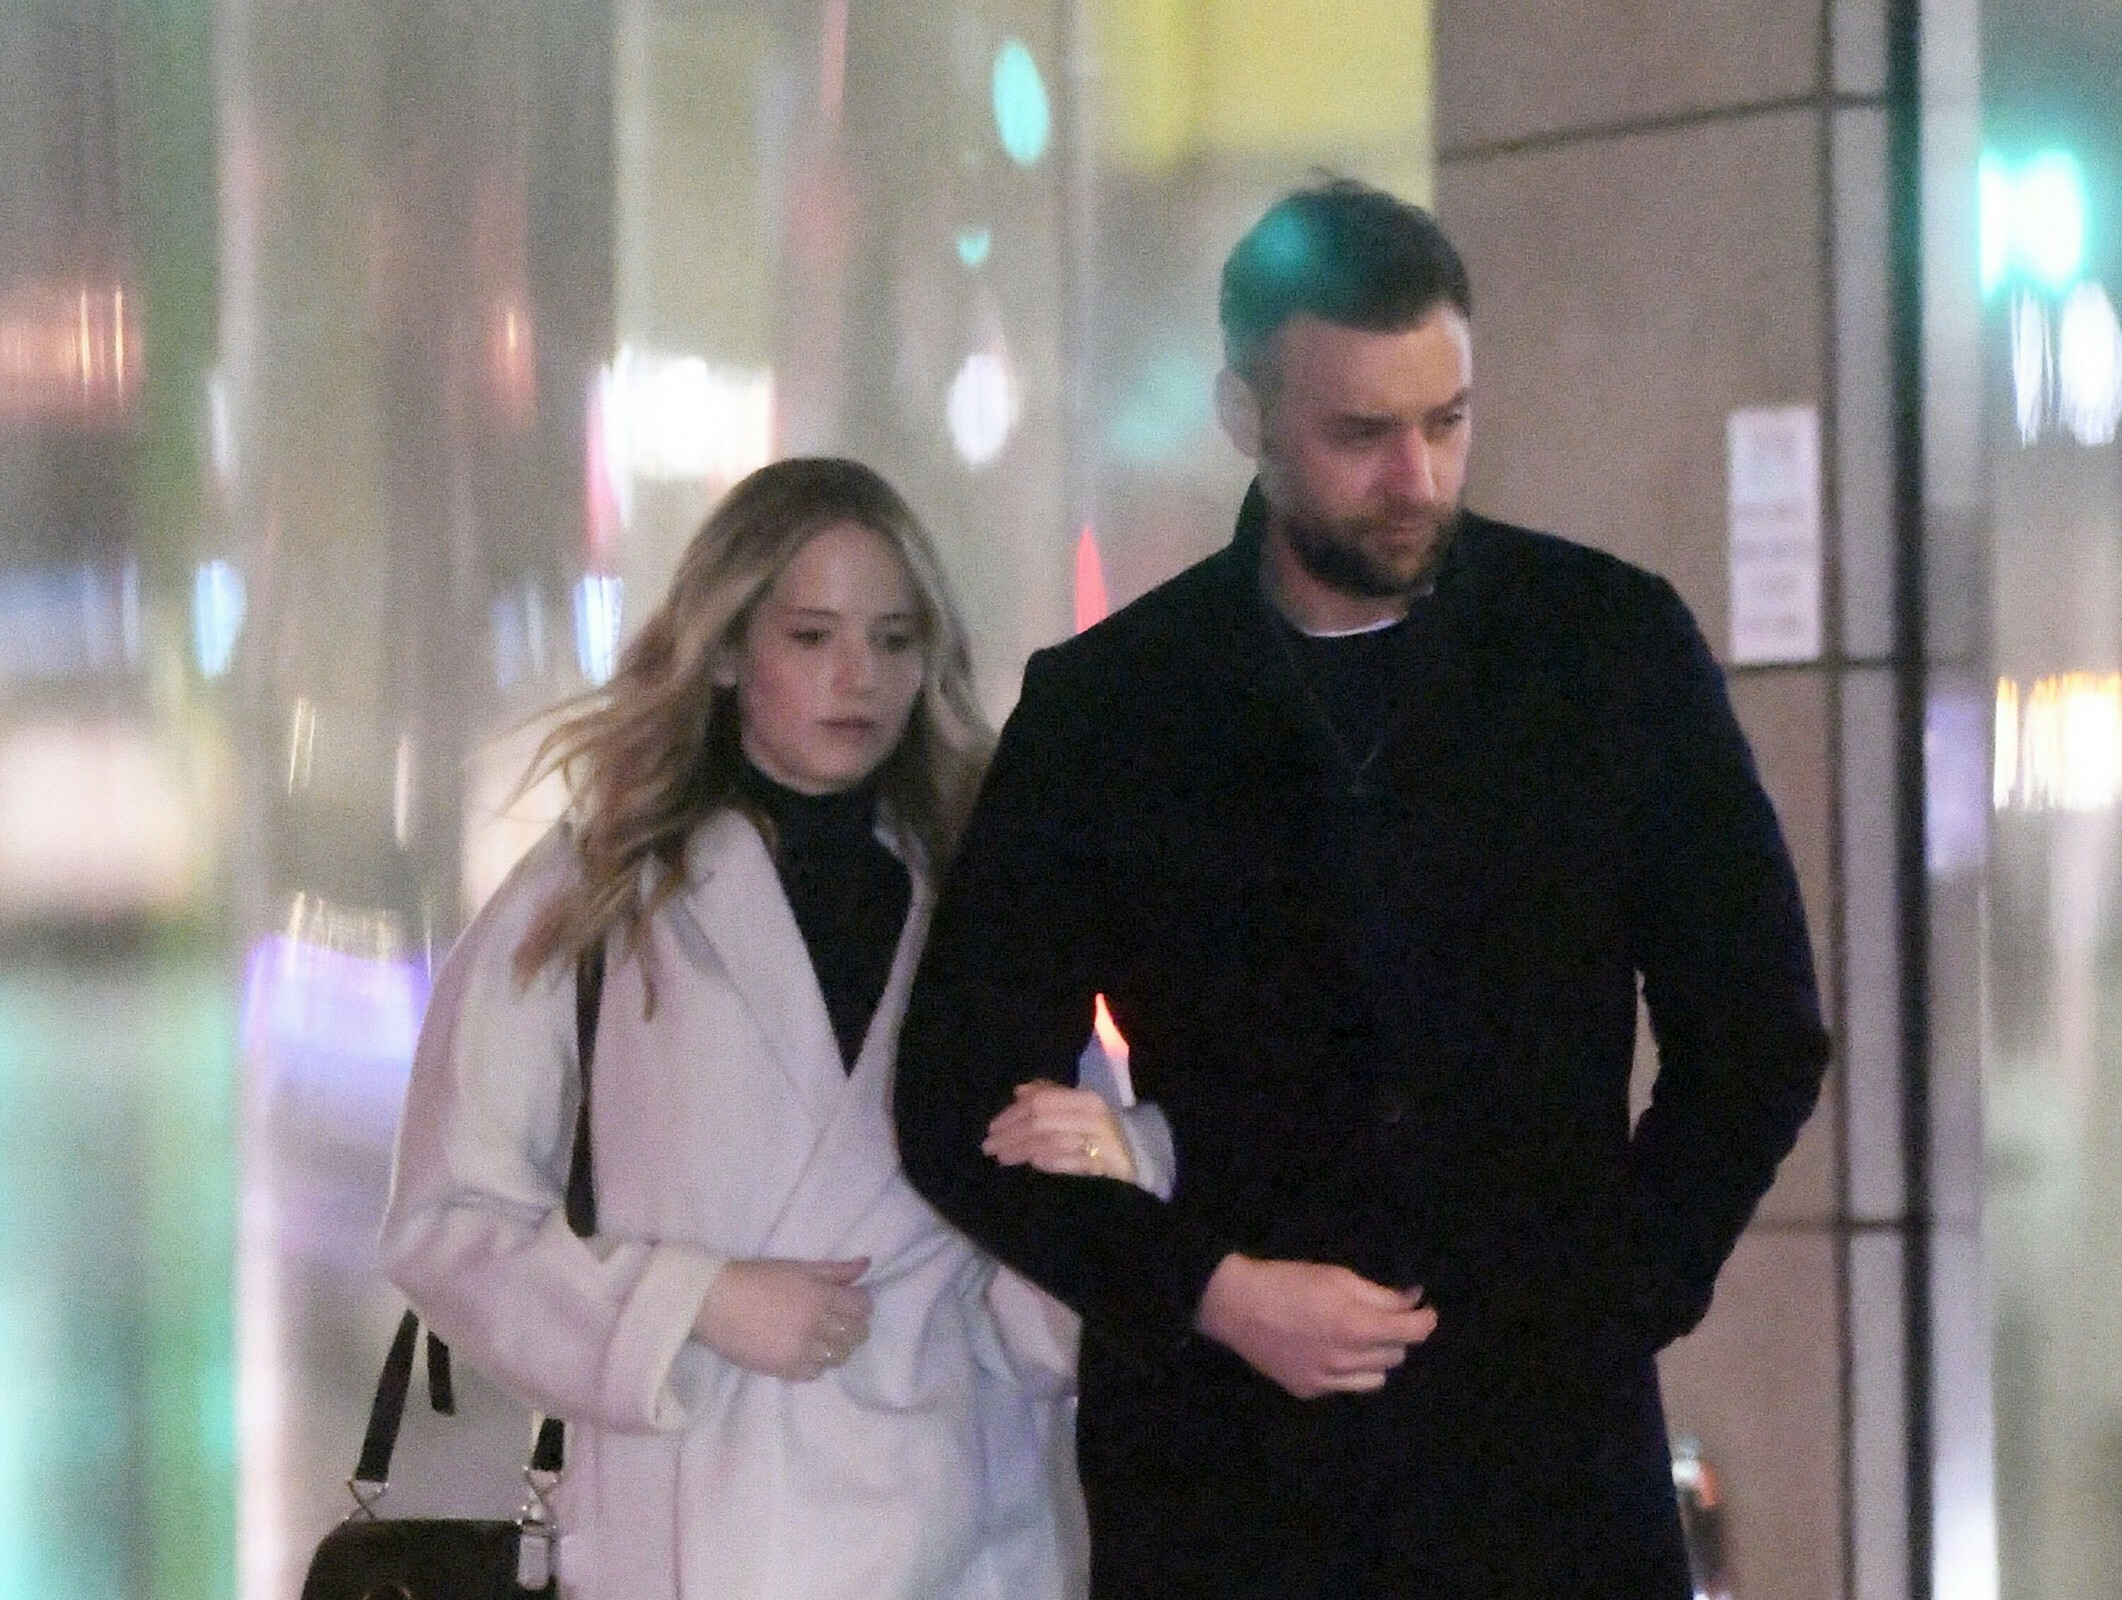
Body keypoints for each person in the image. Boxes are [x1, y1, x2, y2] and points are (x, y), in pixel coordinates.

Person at [893, 179, 1831, 1599]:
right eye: (1360, 435)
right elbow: (954, 1094)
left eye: (1446, 420)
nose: (1416, 478)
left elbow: (1757, 1033)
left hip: (1544, 1489)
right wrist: (1206, 1289)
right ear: (1244, 416)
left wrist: (1601, 1306)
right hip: (1226, 1486)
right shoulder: (1113, 708)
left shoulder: (1604, 651)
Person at [378, 456, 1161, 1600]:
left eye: (894, 639)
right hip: (698, 1518)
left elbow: (1050, 1257)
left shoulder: (990, 893)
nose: (859, 677)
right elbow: (449, 1219)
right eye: (811, 635)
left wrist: (1110, 1171)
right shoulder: (596, 892)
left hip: (961, 1528)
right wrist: (691, 1301)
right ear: (727, 650)